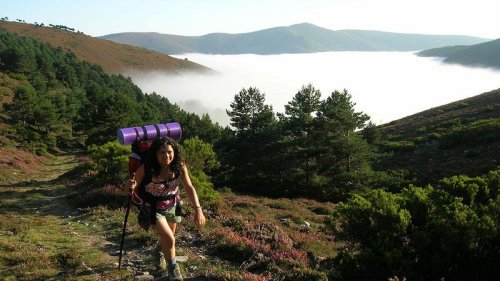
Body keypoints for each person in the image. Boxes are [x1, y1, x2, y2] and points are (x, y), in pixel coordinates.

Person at [128, 137, 206, 281]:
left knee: (168, 237)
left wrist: (198, 209)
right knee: (169, 239)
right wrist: (132, 186)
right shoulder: (148, 167)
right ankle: (173, 271)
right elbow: (135, 183)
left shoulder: (179, 166)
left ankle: (157, 251)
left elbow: (189, 187)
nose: (167, 156)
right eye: (162, 153)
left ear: (174, 152)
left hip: (173, 205)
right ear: (155, 154)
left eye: (170, 152)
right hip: (153, 208)